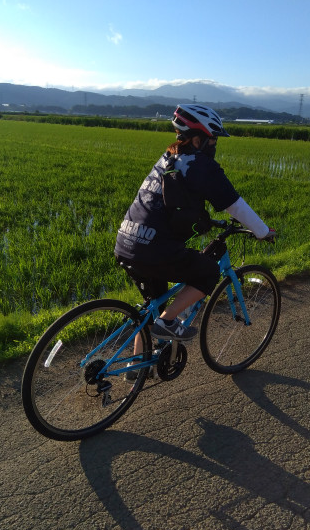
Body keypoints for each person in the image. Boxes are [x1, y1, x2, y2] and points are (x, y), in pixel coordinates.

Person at [114, 104, 276, 348]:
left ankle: (136, 369)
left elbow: (168, 202)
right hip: (154, 248)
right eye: (213, 140)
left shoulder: (168, 158)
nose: (215, 145)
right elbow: (234, 204)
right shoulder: (201, 165)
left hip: (126, 242)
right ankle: (169, 323)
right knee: (208, 272)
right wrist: (262, 231)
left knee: (152, 308)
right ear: (199, 139)